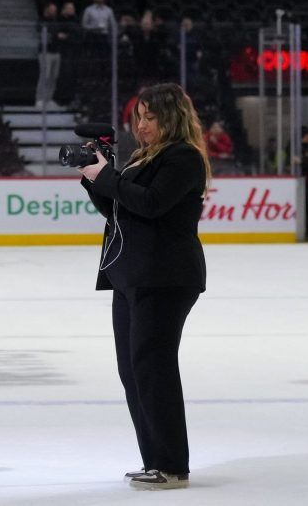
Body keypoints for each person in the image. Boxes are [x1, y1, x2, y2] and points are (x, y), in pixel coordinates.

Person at [77, 82, 210, 490]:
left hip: (165, 277)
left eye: (150, 117)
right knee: (133, 370)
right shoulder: (144, 157)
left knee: (153, 368)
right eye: (139, 117)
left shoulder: (183, 157)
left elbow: (151, 204)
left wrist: (109, 177)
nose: (142, 125)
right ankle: (155, 459)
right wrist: (93, 179)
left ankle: (171, 465)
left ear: (171, 118)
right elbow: (118, 209)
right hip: (132, 275)